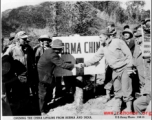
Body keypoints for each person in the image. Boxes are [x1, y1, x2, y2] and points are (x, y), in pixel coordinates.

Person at [78, 30, 135, 112]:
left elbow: (128, 54)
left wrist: (130, 68)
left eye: (100, 37)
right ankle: (117, 107)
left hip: (125, 68)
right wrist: (84, 64)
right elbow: (96, 58)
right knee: (117, 89)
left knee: (126, 89)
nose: (99, 39)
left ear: (106, 36)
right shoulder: (103, 46)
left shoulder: (118, 42)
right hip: (115, 70)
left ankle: (129, 108)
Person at [37, 39, 78, 114]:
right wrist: (75, 65)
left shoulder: (49, 51)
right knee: (43, 94)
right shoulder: (53, 55)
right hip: (43, 76)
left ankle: (45, 108)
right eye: (61, 48)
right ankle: (42, 111)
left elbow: (60, 62)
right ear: (57, 49)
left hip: (45, 75)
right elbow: (63, 65)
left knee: (46, 93)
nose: (62, 49)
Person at [4, 31, 36, 97]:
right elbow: (4, 60)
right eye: (23, 39)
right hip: (17, 78)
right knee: (18, 96)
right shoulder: (12, 49)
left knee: (26, 95)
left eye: (26, 39)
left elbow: (32, 61)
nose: (26, 40)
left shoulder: (29, 49)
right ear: (18, 39)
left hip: (27, 77)